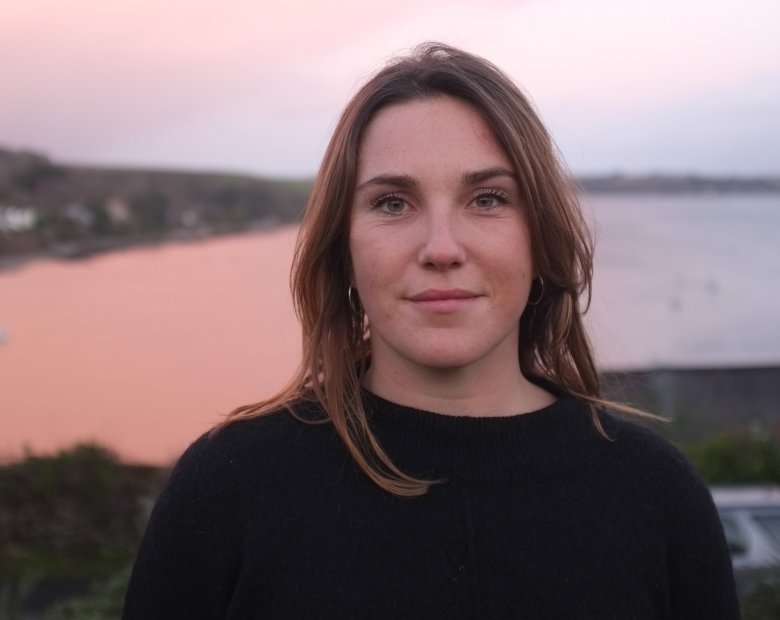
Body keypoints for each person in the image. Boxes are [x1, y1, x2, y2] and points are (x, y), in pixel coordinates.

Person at [123, 43, 739, 619]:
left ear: (540, 236)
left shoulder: (657, 496)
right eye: (393, 203)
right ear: (344, 250)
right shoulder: (227, 488)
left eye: (489, 199)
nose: (441, 249)